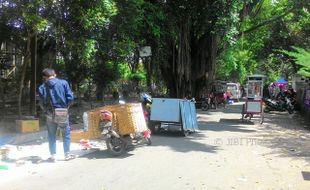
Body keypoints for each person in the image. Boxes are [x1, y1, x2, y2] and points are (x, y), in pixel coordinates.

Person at [38, 68, 74, 162]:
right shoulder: (64, 83)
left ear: (44, 77)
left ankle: (53, 156)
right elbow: (70, 98)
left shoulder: (42, 87)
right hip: (62, 111)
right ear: (55, 75)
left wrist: (46, 111)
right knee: (65, 134)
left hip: (50, 113)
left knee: (51, 135)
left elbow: (41, 103)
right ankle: (67, 155)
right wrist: (66, 108)